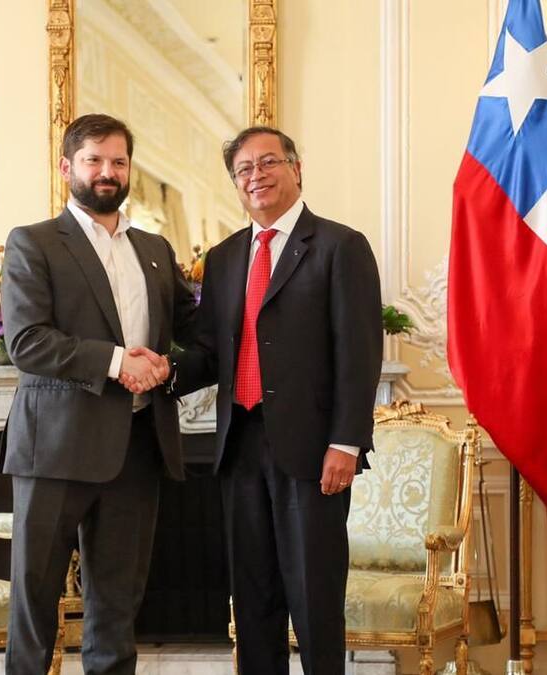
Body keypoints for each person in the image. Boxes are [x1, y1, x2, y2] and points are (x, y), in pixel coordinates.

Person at [155, 126, 382, 674]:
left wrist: (346, 442)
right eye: (244, 169)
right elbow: (211, 350)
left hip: (313, 451)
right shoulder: (225, 257)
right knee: (253, 598)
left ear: (296, 169)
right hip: (240, 448)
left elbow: (359, 353)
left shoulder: (340, 246)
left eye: (268, 163)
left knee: (314, 597)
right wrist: (164, 370)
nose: (256, 175)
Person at [0, 113, 197, 675]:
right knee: (35, 601)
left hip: (137, 446)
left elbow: (191, 330)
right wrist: (116, 362)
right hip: (54, 448)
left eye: (118, 161)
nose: (107, 171)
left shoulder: (154, 248)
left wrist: (166, 368)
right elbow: (28, 342)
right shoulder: (34, 242)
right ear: (67, 167)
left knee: (117, 605)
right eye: (94, 160)